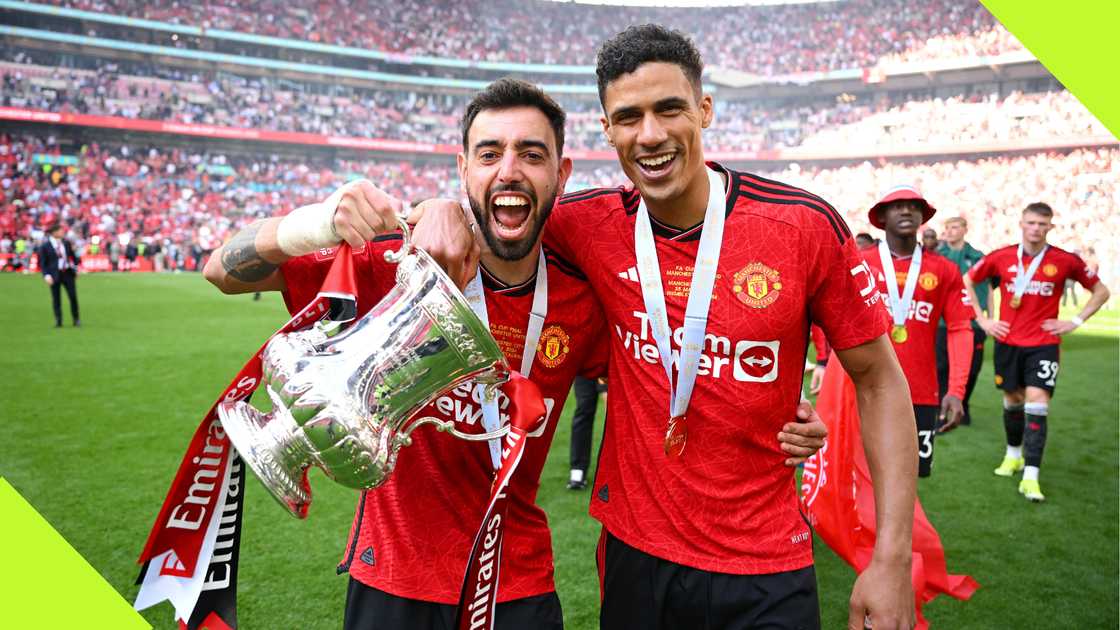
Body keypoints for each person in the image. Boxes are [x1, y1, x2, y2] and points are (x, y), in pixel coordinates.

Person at [204, 78, 827, 630]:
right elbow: (221, 272)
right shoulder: (398, 259)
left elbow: (671, 364)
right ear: (462, 169)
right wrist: (315, 223)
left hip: (518, 579)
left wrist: (781, 409)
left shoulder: (583, 300)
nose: (510, 170)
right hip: (393, 573)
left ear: (563, 172)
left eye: (532, 154)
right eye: (489, 153)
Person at [429, 25, 917, 630]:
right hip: (638, 556)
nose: (651, 135)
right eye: (628, 117)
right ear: (607, 130)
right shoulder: (583, 224)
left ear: (704, 110)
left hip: (767, 562)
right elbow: (495, 208)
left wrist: (892, 558)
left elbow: (880, 382)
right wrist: (438, 208)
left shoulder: (802, 226)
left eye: (669, 109)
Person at [964, 202, 1110, 502]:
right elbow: (967, 280)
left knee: (1037, 401)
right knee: (1012, 399)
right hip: (1008, 342)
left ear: (1050, 227)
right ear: (1021, 223)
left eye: (1042, 224)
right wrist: (982, 319)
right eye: (1031, 223)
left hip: (1044, 344)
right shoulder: (1001, 257)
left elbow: (1101, 291)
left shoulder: (1065, 260)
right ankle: (1013, 454)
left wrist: (1075, 321)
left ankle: (1031, 476)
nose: (1036, 229)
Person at [859, 187, 974, 477]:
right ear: (882, 216)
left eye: (913, 206)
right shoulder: (860, 262)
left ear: (922, 215)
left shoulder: (944, 270)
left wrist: (957, 390)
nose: (907, 210)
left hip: (920, 392)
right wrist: (823, 362)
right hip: (862, 389)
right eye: (897, 206)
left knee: (909, 478)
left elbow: (960, 329)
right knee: (858, 477)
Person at [936, 216, 987, 426]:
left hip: (973, 322)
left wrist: (987, 317)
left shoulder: (977, 257)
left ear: (965, 229)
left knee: (972, 368)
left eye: (955, 227)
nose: (950, 231)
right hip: (940, 322)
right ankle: (940, 409)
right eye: (947, 227)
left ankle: (963, 404)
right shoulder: (936, 255)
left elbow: (990, 290)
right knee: (940, 367)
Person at [38, 222, 80, 327]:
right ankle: (58, 320)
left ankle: (76, 319)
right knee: (56, 298)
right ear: (54, 233)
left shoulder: (66, 243)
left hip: (67, 273)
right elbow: (43, 263)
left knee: (73, 297)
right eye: (61, 231)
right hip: (54, 275)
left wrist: (75, 268)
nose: (63, 232)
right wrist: (46, 275)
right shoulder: (45, 246)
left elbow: (73, 258)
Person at [566, 376, 602, 490]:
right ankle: (578, 469)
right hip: (586, 366)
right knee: (583, 410)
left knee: (616, 413)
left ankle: (619, 469)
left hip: (613, 365)